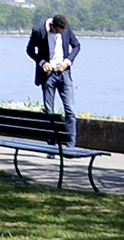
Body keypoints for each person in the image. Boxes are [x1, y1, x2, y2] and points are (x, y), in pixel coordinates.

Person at [26, 13, 82, 144]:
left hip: (64, 73)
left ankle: (70, 146)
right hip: (48, 75)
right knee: (49, 112)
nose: (58, 34)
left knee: (70, 110)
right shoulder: (38, 31)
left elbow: (76, 46)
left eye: (60, 32)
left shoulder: (66, 28)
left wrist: (67, 62)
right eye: (56, 31)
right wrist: (42, 63)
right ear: (51, 25)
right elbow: (29, 50)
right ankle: (51, 146)